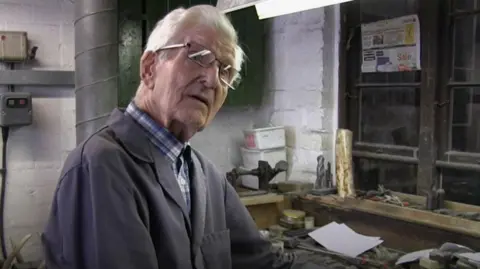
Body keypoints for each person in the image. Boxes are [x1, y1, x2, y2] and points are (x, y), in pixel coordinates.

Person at [42, 5, 324, 269]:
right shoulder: (100, 167)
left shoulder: (206, 177)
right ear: (149, 67)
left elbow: (262, 262)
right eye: (199, 56)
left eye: (225, 70)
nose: (212, 80)